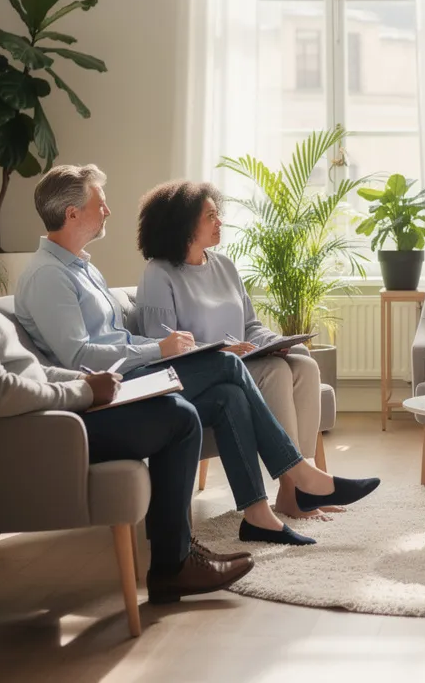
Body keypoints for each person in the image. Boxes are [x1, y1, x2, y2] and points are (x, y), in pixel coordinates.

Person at [0, 165, 253, 603]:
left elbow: (18, 371)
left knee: (185, 405)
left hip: (43, 416)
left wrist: (81, 380)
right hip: (37, 432)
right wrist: (81, 391)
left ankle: (179, 555)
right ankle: (173, 565)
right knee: (178, 418)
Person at [14, 164, 379, 546]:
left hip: (129, 378)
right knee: (227, 364)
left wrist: (161, 348)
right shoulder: (48, 277)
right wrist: (158, 348)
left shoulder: (82, 269)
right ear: (72, 213)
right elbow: (78, 358)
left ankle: (258, 515)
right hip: (107, 394)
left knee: (229, 395)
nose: (108, 211)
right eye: (100, 203)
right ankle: (302, 476)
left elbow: (119, 339)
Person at [134, 181, 336, 520]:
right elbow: (164, 345)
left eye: (218, 214)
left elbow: (250, 325)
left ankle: (303, 483)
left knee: (304, 364)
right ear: (184, 224)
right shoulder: (159, 274)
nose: (219, 222)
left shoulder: (224, 266)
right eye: (210, 216)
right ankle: (291, 489)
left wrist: (273, 343)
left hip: (243, 361)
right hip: (201, 374)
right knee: (274, 371)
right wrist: (224, 349)